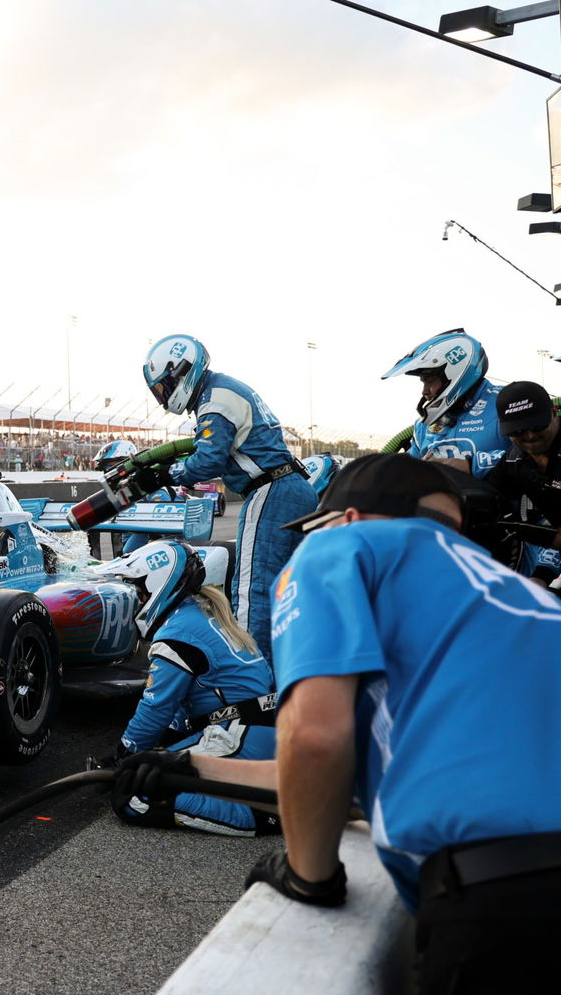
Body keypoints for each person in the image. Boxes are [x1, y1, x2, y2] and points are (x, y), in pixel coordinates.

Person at [116, 453, 561, 994]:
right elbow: (340, 786)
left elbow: (317, 739)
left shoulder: (340, 549)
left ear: (345, 518)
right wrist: (186, 766)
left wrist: (309, 875)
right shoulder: (521, 597)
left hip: (503, 900)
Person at [141, 335, 318, 667]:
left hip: (270, 490)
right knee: (292, 591)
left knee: (253, 591)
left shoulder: (214, 398)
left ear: (181, 371)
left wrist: (172, 472)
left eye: (164, 387)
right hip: (292, 487)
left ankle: (251, 685)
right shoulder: (223, 389)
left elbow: (208, 461)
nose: (163, 397)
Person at [93, 540, 279, 837]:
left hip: (238, 735)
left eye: (138, 591)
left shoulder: (176, 632)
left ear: (158, 585)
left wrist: (123, 754)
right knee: (151, 767)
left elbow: (156, 706)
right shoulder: (202, 613)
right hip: (258, 731)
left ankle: (264, 814)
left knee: (134, 795)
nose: (136, 600)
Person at [382, 328, 505, 478]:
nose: (425, 391)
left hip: (494, 499)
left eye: (429, 381)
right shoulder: (424, 425)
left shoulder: (504, 403)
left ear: (454, 372)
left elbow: (531, 459)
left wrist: (471, 465)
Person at [482, 380, 561, 587]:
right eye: (517, 431)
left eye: (537, 425)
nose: (530, 436)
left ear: (554, 411)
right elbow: (489, 506)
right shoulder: (513, 460)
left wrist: (543, 574)